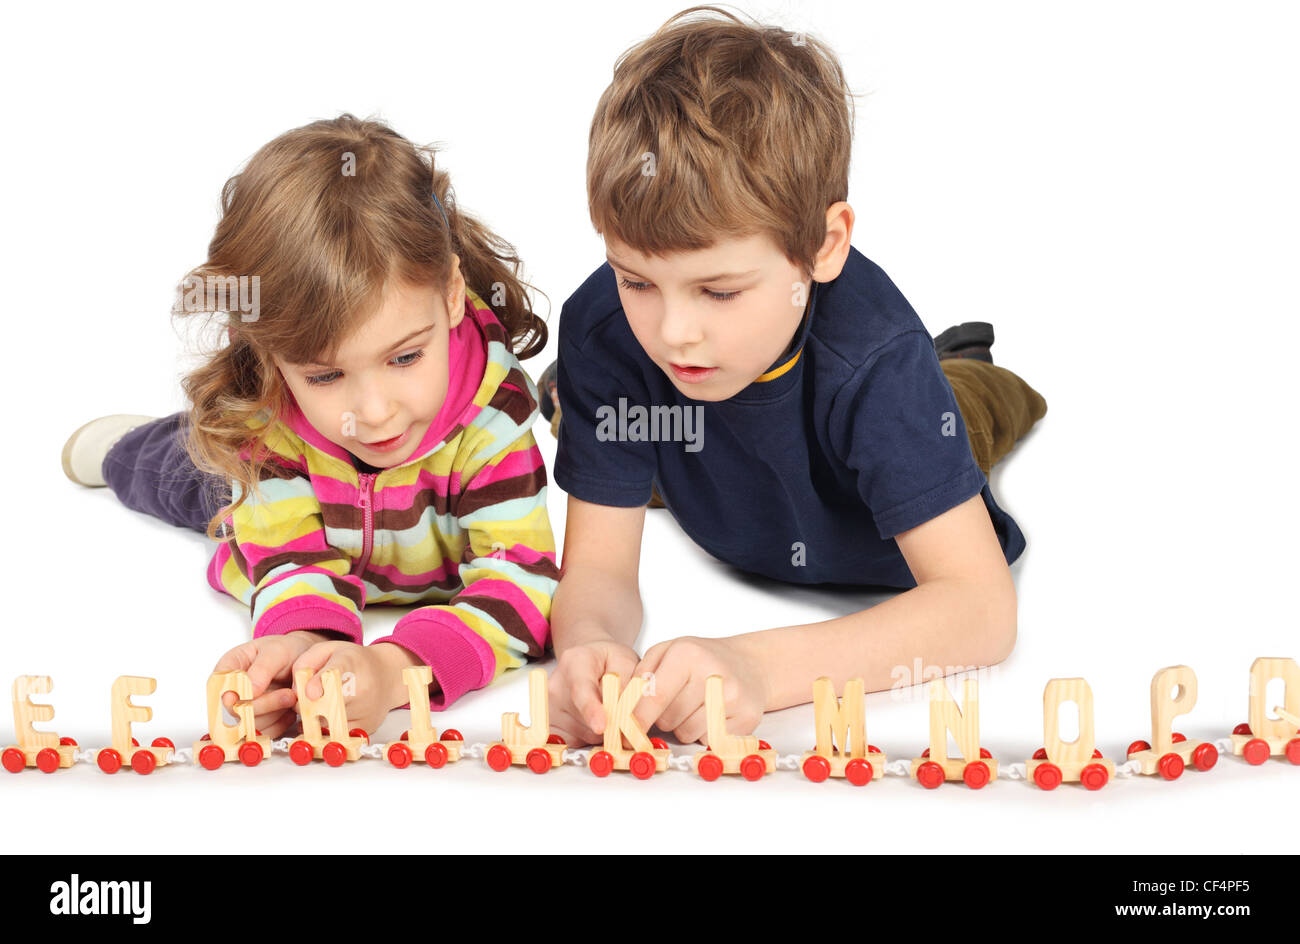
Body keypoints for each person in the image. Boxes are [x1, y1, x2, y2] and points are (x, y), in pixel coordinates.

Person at [542, 7, 1048, 746]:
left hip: (909, 418)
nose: (673, 331)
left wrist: (753, 666)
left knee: (969, 406)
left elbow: (981, 610)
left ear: (824, 245)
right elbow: (598, 573)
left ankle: (963, 362)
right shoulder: (610, 335)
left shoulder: (875, 362)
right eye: (636, 281)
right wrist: (589, 644)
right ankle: (584, 408)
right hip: (712, 445)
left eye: (718, 291)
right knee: (618, 411)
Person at [61, 114, 560, 736]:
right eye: (325, 376)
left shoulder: (495, 413)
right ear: (269, 354)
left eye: (405, 357)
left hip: (396, 536)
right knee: (187, 475)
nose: (374, 413)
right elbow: (289, 560)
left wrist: (392, 668)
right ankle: (124, 446)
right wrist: (297, 646)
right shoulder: (267, 415)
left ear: (453, 294)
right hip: (258, 499)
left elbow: (524, 581)